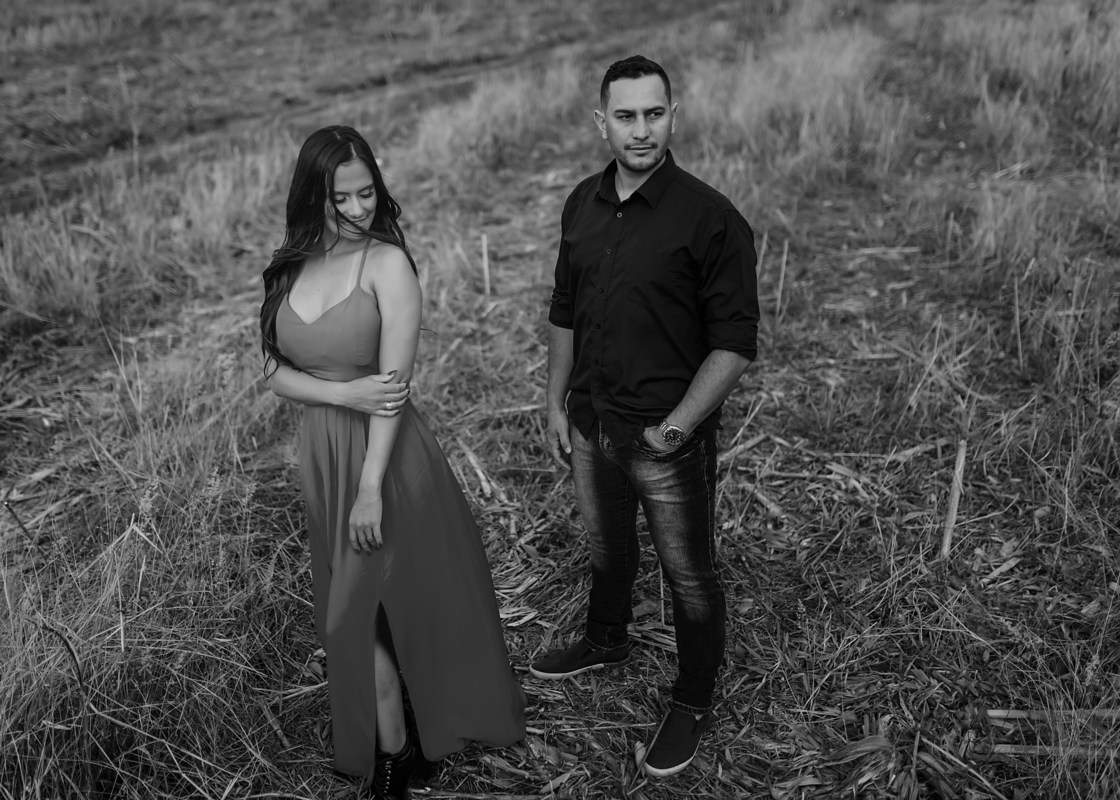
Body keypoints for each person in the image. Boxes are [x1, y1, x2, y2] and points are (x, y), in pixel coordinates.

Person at [260, 125, 526, 799]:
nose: (356, 209)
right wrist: (341, 390)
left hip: (387, 460)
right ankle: (397, 748)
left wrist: (371, 487)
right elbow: (275, 374)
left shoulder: (387, 265)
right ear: (311, 196)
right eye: (340, 198)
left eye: (366, 193)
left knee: (353, 615)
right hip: (323, 456)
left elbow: (394, 389)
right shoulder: (292, 263)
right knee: (365, 616)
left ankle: (398, 758)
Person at [531, 55, 760, 778]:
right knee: (605, 547)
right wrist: (555, 400)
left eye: (653, 113)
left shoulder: (712, 219)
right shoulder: (581, 204)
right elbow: (564, 310)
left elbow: (734, 345)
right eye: (625, 116)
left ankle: (692, 700)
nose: (640, 130)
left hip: (665, 432)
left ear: (673, 115)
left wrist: (678, 428)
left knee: (688, 575)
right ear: (602, 121)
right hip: (592, 417)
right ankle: (607, 639)